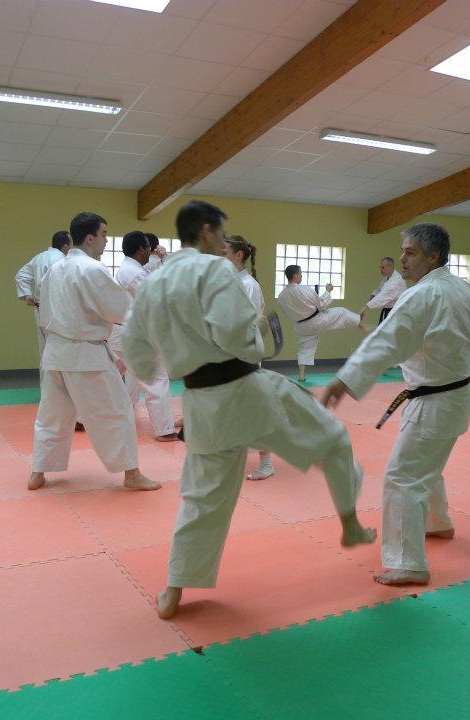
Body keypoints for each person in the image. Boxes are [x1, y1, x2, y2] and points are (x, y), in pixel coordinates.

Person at [122, 200, 375, 620]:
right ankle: (349, 523)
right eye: (221, 233)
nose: (223, 242)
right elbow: (236, 337)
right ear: (206, 231)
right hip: (246, 392)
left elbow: (137, 352)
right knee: (331, 438)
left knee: (203, 499)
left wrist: (166, 358)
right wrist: (256, 333)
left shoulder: (153, 283)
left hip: (201, 404)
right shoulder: (216, 270)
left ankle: (174, 589)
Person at [322, 223, 470, 587]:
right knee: (427, 465)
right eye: (402, 251)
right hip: (457, 396)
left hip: (433, 400)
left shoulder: (422, 295)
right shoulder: (464, 289)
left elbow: (387, 341)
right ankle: (438, 522)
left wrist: (346, 378)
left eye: (410, 252)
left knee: (403, 477)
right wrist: (453, 354)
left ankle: (409, 563)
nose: (401, 259)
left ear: (434, 256)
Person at [27, 212, 158, 493]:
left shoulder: (54, 270)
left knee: (52, 416)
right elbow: (121, 310)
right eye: (104, 234)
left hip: (55, 355)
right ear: (90, 238)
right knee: (117, 411)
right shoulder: (92, 269)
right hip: (86, 357)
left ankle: (38, 471)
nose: (106, 241)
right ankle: (131, 473)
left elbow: (44, 308)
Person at [108, 230, 180, 442]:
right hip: (133, 335)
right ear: (141, 250)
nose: (151, 251)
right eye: (149, 248)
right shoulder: (134, 273)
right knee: (156, 378)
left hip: (122, 332)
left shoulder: (131, 269)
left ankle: (81, 417)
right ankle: (164, 429)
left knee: (113, 374)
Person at [15, 231, 83, 431]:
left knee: (45, 353)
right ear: (65, 246)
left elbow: (21, 275)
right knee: (61, 353)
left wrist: (27, 295)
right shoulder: (61, 260)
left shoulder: (39, 257)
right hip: (56, 312)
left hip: (40, 310)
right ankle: (60, 395)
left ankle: (48, 395)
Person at [222, 234, 274, 481]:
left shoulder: (248, 285)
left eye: (223, 253)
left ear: (238, 255)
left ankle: (266, 463)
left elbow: (249, 325)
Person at [278, 265, 369, 382]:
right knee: (342, 312)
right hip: (317, 321)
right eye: (300, 274)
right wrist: (328, 291)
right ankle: (361, 324)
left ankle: (301, 375)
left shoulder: (281, 296)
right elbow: (322, 305)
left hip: (301, 326)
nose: (301, 276)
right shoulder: (304, 289)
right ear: (295, 275)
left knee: (304, 349)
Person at [360, 256, 406, 323]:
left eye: (383, 267)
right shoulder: (387, 277)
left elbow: (383, 296)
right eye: (380, 267)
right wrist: (373, 295)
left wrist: (365, 308)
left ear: (390, 267)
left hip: (395, 313)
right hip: (388, 311)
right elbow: (379, 290)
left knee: (387, 329)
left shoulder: (396, 280)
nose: (380, 270)